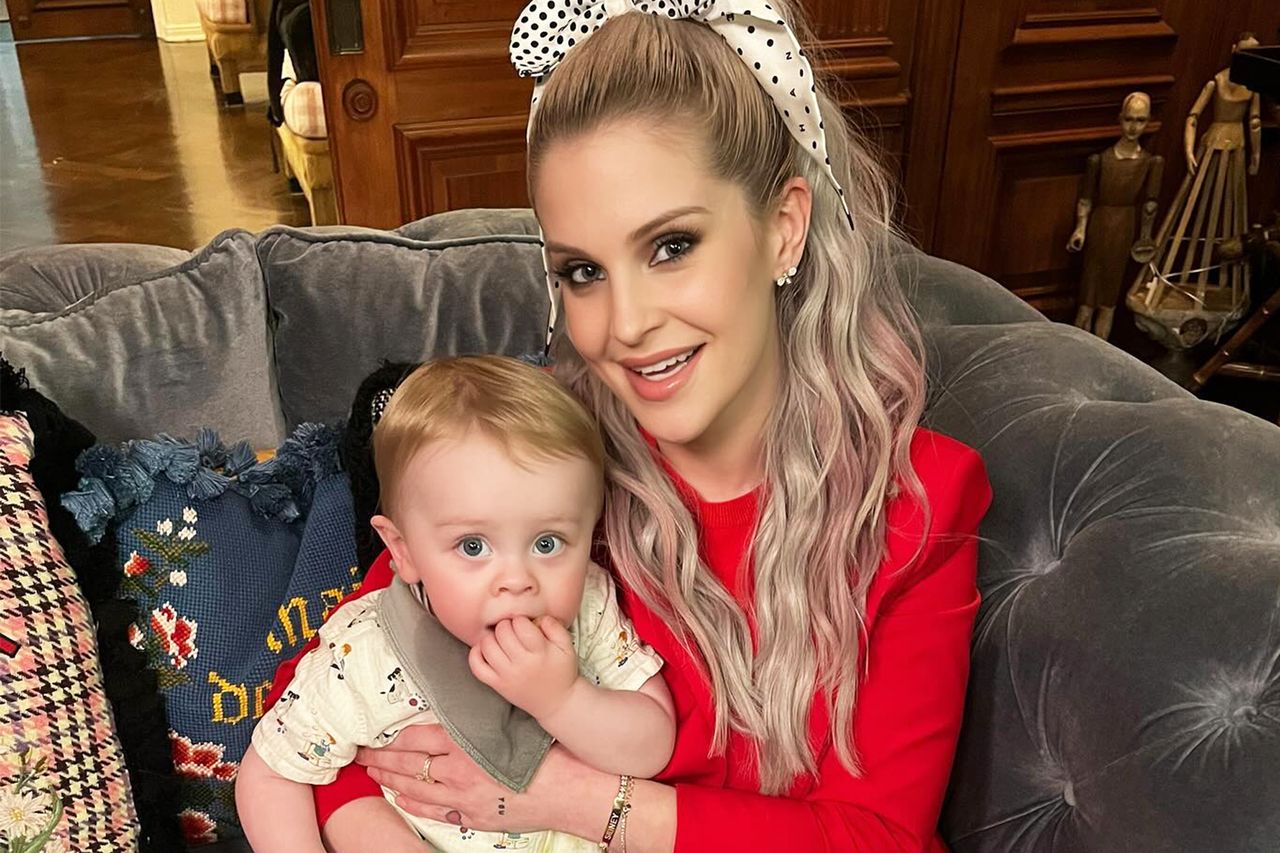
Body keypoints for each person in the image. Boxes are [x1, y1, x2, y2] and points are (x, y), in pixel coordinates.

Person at [264, 2, 992, 851]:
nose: (626, 323)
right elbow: (332, 693)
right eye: (582, 271)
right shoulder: (544, 455)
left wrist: (573, 797)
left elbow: (880, 838)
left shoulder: (918, 500)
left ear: (783, 230)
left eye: (671, 246)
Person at [239, 356, 675, 852]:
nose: (516, 580)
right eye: (473, 546)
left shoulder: (589, 609)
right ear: (402, 551)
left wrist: (564, 699)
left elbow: (651, 749)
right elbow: (270, 773)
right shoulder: (365, 651)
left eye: (549, 543)